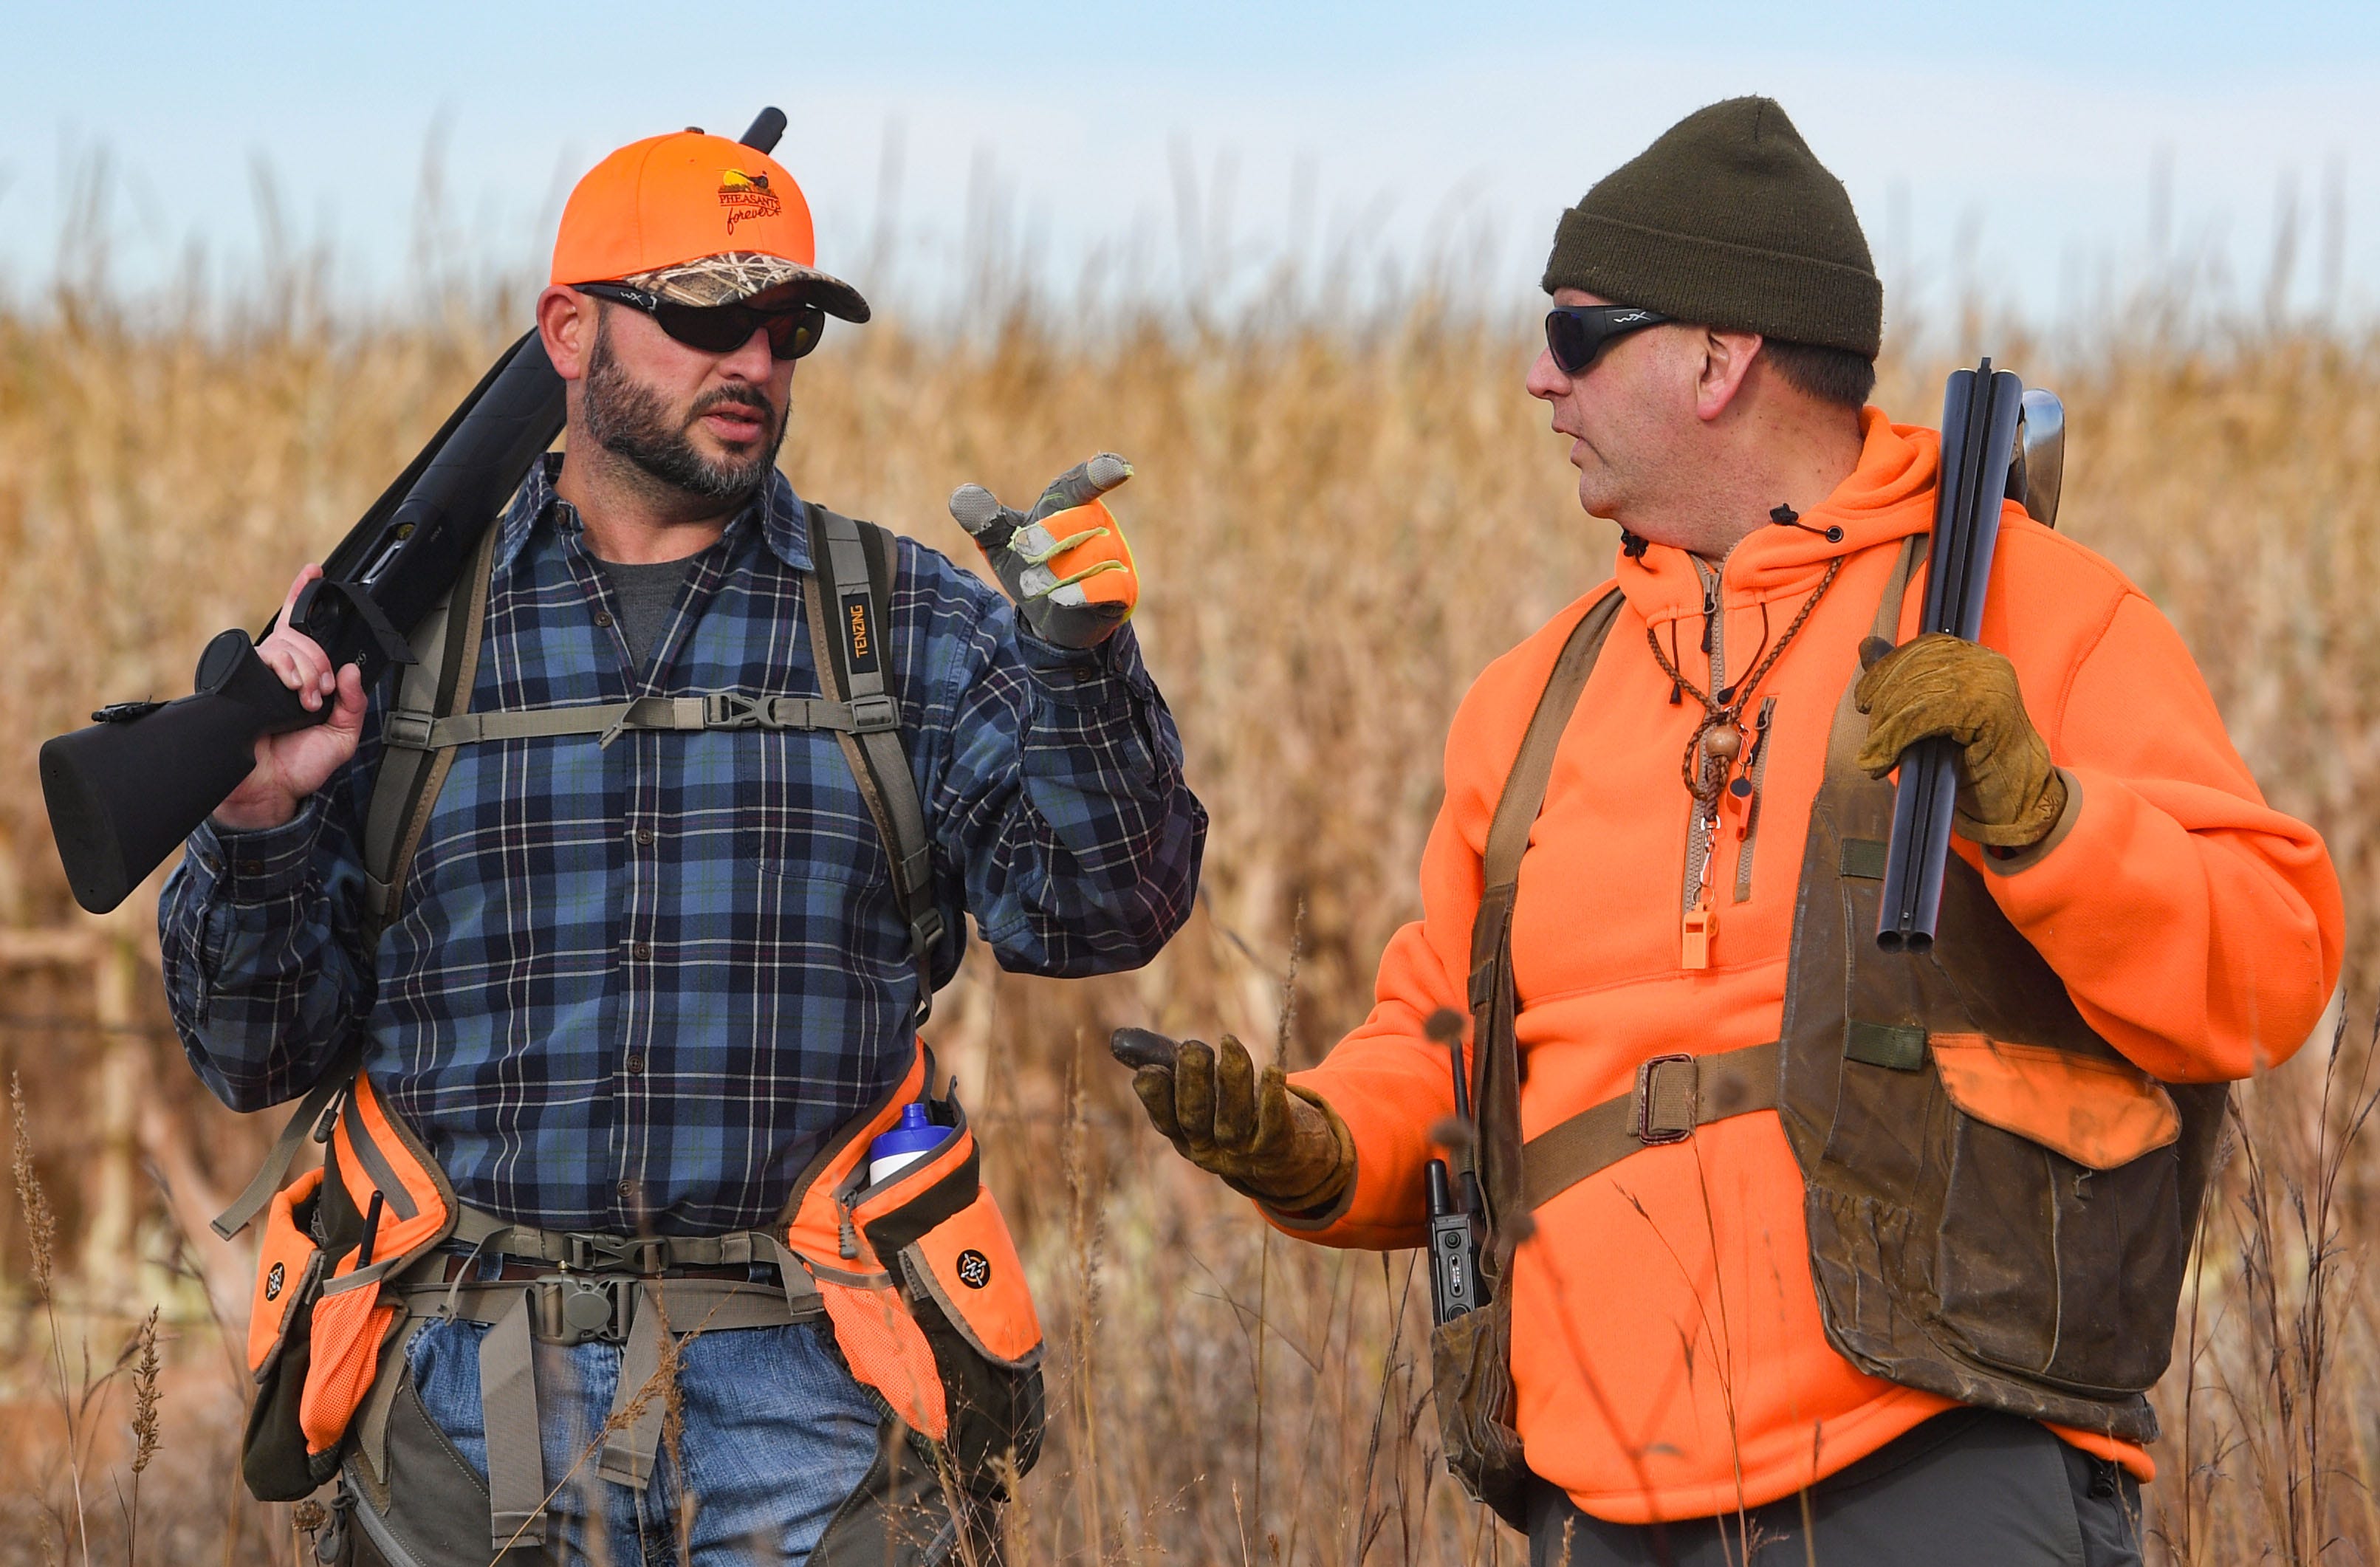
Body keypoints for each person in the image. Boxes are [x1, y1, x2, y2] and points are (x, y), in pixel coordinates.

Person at [1123, 97, 2342, 1566]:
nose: (1534, 378)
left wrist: (2046, 818)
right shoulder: (1529, 701)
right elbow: (1442, 1053)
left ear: (1717, 358)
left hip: (1932, 1452)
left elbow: (2268, 967)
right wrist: (1320, 1147)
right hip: (1600, 1495)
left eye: (1576, 336)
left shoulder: (2038, 612)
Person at [161, 126, 1206, 1565]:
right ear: (567, 330)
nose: (757, 363)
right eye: (708, 316)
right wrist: (257, 816)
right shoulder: (402, 647)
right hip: (470, 1393)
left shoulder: (898, 622)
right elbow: (253, 1050)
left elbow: (1100, 915)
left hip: (818, 1387)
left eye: (786, 328)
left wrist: (1083, 672)